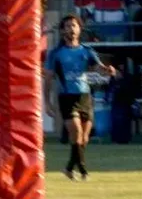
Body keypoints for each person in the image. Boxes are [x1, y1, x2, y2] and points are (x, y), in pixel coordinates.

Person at [44, 14, 117, 180]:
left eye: (74, 26)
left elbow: (99, 67)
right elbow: (48, 78)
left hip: (85, 97)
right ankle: (83, 170)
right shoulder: (56, 53)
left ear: (79, 29)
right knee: (76, 131)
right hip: (67, 97)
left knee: (83, 138)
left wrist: (108, 70)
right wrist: (47, 102)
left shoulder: (86, 51)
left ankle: (69, 168)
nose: (71, 29)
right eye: (68, 26)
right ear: (63, 31)